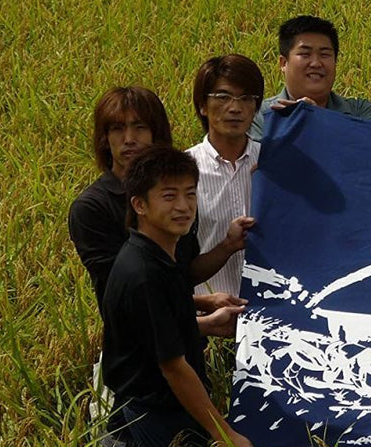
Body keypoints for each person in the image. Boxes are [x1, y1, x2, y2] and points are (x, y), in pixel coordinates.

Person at [102, 146, 255, 447]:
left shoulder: (160, 253)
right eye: (169, 196)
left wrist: (202, 305)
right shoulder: (142, 272)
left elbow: (167, 309)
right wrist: (224, 434)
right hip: (147, 417)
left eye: (190, 194)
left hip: (172, 407)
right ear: (139, 205)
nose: (184, 206)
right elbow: (174, 366)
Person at [68, 86, 253, 310]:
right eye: (118, 129)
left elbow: (183, 273)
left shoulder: (175, 196)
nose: (129, 139)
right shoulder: (92, 208)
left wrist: (228, 245)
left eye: (140, 128)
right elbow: (123, 294)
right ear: (105, 139)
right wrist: (203, 321)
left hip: (185, 339)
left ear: (157, 133)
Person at [188, 54, 266, 297]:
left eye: (246, 99)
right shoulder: (184, 172)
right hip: (207, 318)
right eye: (223, 97)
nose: (235, 107)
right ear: (202, 105)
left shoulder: (273, 165)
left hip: (271, 318)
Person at [249, 15, 371, 140]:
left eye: (324, 55)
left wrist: (319, 120)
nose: (316, 63)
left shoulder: (362, 112)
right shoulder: (257, 116)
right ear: (283, 63)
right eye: (305, 54)